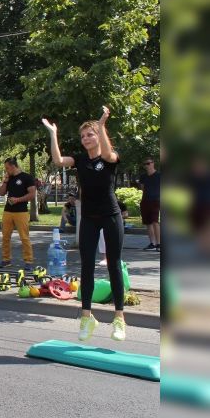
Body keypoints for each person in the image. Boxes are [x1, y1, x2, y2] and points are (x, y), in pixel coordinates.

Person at [44, 106, 127, 341]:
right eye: (83, 136)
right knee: (87, 267)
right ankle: (86, 317)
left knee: (114, 265)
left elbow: (110, 154)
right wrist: (53, 133)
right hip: (89, 218)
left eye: (90, 134)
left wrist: (101, 126)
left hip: (111, 216)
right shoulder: (80, 160)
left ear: (98, 136)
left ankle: (119, 318)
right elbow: (58, 160)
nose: (86, 138)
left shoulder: (109, 159)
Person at [0, 157, 36, 270]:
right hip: (8, 211)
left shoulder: (27, 177)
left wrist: (18, 200)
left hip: (21, 212)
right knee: (5, 236)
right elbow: (1, 192)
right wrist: (5, 180)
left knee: (24, 237)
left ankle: (28, 261)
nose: (6, 171)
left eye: (7, 168)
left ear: (13, 166)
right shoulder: (8, 178)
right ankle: (6, 260)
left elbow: (32, 194)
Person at [137, 157, 161, 251]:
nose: (147, 165)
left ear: (153, 163)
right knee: (148, 223)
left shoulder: (159, 175)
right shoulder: (143, 176)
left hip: (156, 200)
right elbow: (143, 188)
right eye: (145, 164)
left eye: (148, 163)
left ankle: (159, 244)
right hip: (145, 200)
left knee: (155, 222)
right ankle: (152, 243)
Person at [98, 200, 129, 265]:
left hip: (117, 222)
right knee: (102, 236)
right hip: (104, 222)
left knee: (116, 240)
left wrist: (117, 216)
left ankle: (117, 259)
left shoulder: (120, 203)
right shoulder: (102, 203)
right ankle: (105, 258)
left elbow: (126, 214)